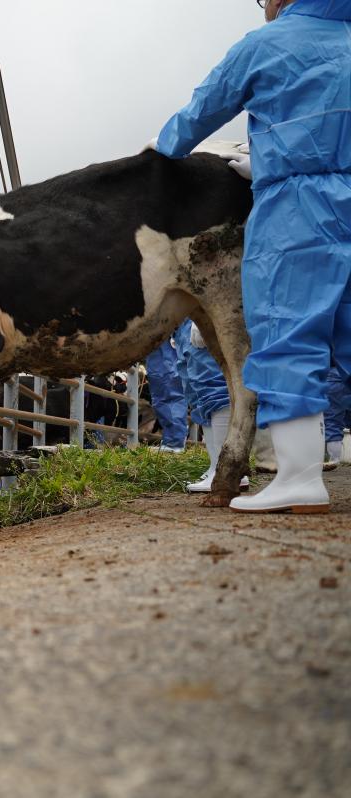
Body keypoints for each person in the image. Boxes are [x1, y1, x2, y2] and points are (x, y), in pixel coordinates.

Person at [153, 0, 350, 514]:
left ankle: (300, 477)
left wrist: (162, 148)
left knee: (288, 331)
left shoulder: (266, 44)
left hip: (299, 206)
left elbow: (201, 112)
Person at [176, 321, 251, 493]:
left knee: (211, 382)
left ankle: (227, 470)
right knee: (198, 391)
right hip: (182, 319)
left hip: (195, 308)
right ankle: (215, 466)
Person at [145, 333, 189, 452]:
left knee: (171, 387)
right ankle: (172, 439)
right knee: (160, 392)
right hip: (152, 338)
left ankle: (176, 440)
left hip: (165, 334)